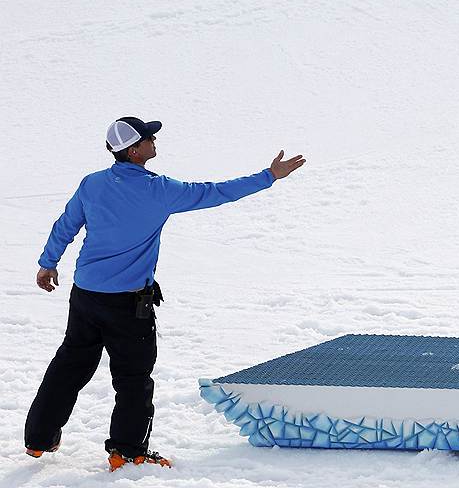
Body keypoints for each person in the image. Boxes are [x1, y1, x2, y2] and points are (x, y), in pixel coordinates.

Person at [24, 116, 306, 469]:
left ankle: (38, 440)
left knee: (69, 365)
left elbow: (66, 224)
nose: (154, 141)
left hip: (85, 295)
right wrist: (269, 176)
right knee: (133, 379)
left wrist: (47, 263)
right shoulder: (159, 190)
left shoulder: (92, 184)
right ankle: (128, 451)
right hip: (127, 304)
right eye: (148, 137)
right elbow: (216, 192)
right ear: (133, 149)